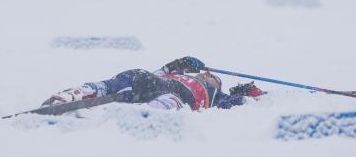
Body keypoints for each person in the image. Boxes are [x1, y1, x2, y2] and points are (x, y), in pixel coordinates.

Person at [42, 57, 263, 111]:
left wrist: (250, 91)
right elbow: (159, 75)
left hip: (176, 98)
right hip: (152, 83)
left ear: (217, 85)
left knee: (169, 101)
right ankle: (74, 94)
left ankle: (130, 114)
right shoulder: (179, 76)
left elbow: (253, 101)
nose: (207, 76)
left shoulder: (216, 96)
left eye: (213, 77)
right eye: (206, 74)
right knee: (134, 76)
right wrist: (178, 63)